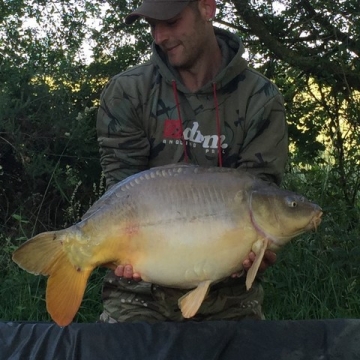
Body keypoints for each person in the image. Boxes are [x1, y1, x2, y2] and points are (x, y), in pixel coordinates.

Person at [96, 0, 288, 323]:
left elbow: (264, 202)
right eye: (152, 26)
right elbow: (121, 194)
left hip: (230, 299)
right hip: (138, 296)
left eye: (170, 21)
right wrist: (114, 253)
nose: (159, 36)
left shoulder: (260, 100)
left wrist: (260, 250)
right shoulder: (128, 93)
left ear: (207, 7)